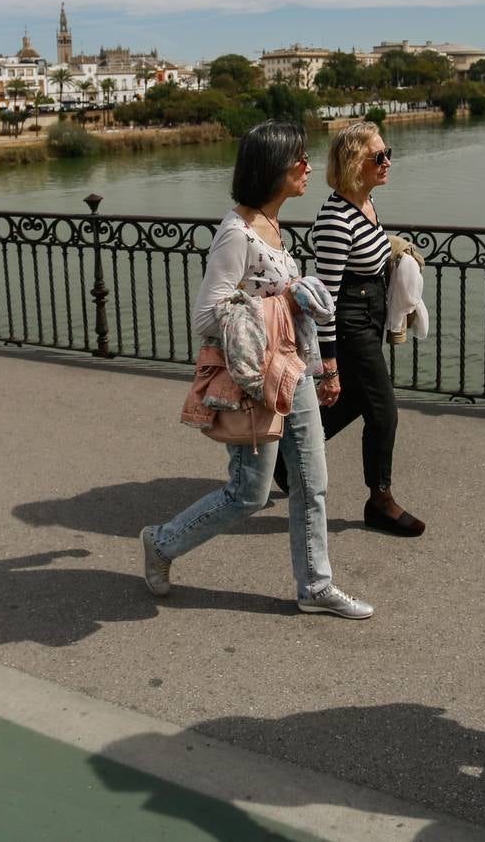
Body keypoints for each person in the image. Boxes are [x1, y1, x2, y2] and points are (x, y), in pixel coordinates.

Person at [139, 120, 374, 619]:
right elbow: (206, 315)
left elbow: (268, 298)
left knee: (312, 483)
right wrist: (284, 298)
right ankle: (161, 543)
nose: (309, 166)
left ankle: (315, 586)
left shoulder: (273, 224)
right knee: (248, 494)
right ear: (273, 169)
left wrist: (316, 349)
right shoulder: (236, 234)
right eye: (299, 160)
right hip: (257, 383)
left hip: (296, 371)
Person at [304, 121, 425, 537]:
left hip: (369, 317)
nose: (388, 161)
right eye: (379, 156)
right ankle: (381, 499)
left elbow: (368, 258)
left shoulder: (366, 205)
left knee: (357, 401)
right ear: (356, 163)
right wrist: (329, 365)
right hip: (351, 324)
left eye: (387, 152)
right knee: (384, 412)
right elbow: (325, 302)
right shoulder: (337, 221)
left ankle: (285, 458)